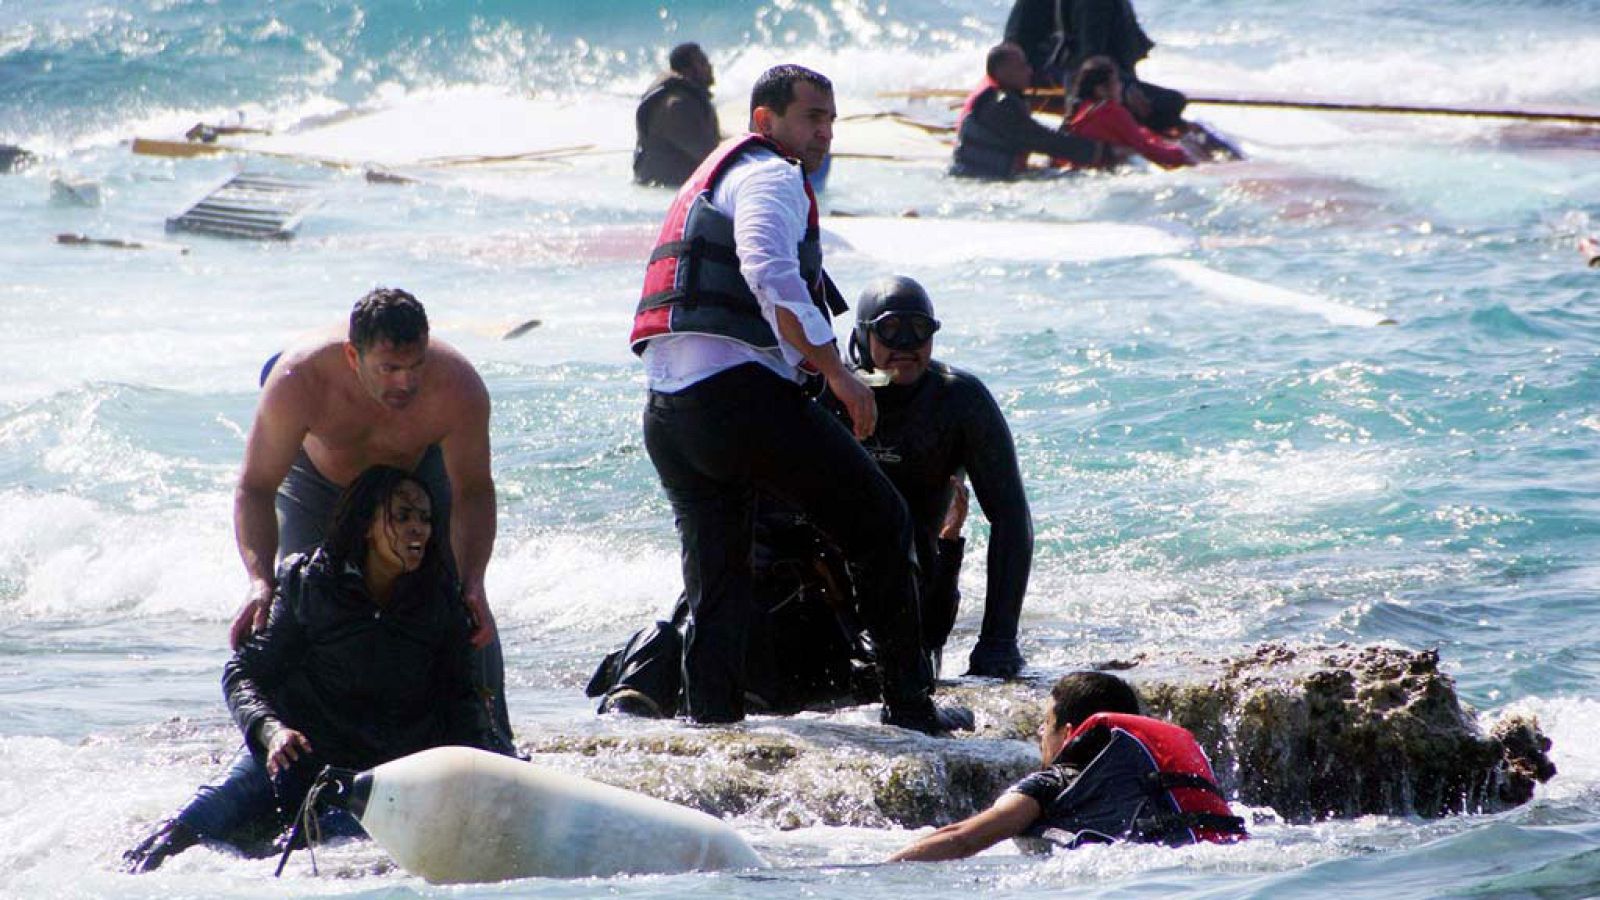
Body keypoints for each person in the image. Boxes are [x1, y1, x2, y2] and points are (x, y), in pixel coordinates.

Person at [628, 64, 968, 735]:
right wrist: (835, 373)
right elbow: (770, 270)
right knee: (881, 522)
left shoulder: (717, 177)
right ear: (765, 122)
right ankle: (910, 706)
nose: (823, 133)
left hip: (670, 411)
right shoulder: (770, 174)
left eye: (831, 120)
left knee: (718, 574)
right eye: (811, 118)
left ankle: (713, 721)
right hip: (736, 399)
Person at [591, 276, 1033, 717]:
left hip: (906, 605)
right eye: (890, 329)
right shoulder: (827, 395)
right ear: (860, 335)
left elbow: (1012, 519)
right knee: (735, 590)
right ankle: (644, 681)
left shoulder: (959, 402)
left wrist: (997, 643)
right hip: (819, 595)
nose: (906, 343)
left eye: (920, 330)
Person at [125, 467, 507, 872]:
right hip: (290, 756)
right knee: (175, 837)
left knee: (317, 857)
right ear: (366, 526)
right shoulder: (308, 583)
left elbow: (459, 701)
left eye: (426, 518)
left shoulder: (439, 600)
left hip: (373, 776)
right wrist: (272, 733)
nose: (419, 530)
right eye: (403, 516)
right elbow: (242, 673)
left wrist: (487, 776)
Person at [230, 287, 512, 747]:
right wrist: (259, 579)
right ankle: (277, 748)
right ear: (351, 355)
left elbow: (474, 491)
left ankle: (493, 744)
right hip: (319, 485)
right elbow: (255, 487)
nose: (405, 383)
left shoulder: (457, 387)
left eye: (415, 365)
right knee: (293, 607)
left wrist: (473, 580)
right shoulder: (298, 379)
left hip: (414, 476)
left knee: (461, 611)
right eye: (389, 369)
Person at [889, 671, 1247, 862]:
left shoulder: (1058, 778)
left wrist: (882, 872)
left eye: (1046, 722)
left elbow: (964, 838)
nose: (1040, 731)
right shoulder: (1158, 779)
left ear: (1070, 732)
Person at [951, 42, 1105, 180]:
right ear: (1002, 72)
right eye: (1022, 66)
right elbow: (1041, 140)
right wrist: (1098, 151)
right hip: (979, 179)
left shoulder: (1003, 99)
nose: (1029, 71)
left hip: (984, 175)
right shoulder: (999, 106)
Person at [1062, 57, 1196, 170]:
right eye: (1116, 82)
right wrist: (1185, 157)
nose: (1120, 86)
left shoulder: (1081, 109)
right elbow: (1146, 149)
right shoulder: (1112, 111)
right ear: (1100, 90)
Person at [633, 42, 722, 187]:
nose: (710, 66)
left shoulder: (688, 99)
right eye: (703, 62)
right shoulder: (676, 107)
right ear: (687, 70)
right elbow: (709, 155)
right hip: (661, 189)